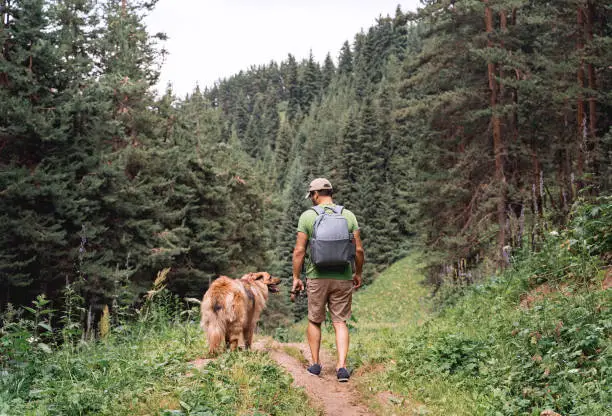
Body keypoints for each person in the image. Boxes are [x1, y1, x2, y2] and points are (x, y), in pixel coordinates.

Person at [291, 178, 365, 382]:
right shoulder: (348, 215)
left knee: (315, 320)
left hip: (317, 276)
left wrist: (296, 277)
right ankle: (342, 368)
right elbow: (358, 249)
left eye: (311, 196)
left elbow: (299, 251)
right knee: (340, 322)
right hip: (342, 276)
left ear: (315, 195)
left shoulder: (308, 216)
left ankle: (315, 365)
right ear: (330, 192)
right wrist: (357, 273)